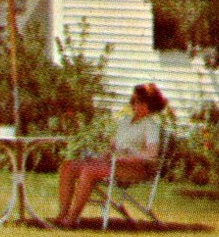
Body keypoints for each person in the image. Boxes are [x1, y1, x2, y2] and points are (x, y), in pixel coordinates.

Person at [53, 83, 169, 228]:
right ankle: (62, 214)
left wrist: (126, 157)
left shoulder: (150, 125)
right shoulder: (126, 121)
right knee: (68, 166)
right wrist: (103, 155)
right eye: (135, 101)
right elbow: (114, 147)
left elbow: (151, 155)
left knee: (89, 171)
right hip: (114, 163)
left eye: (141, 102)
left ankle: (72, 219)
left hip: (135, 168)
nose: (136, 105)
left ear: (150, 105)